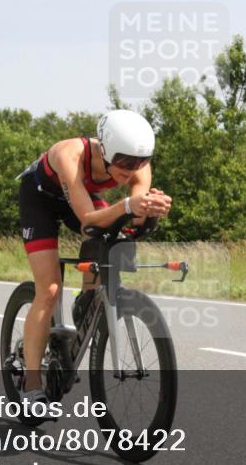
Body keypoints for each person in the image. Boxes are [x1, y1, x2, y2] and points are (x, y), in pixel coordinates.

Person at [16, 109, 171, 404]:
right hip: (41, 200)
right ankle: (32, 383)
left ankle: (87, 301)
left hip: (82, 198)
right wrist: (128, 204)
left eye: (140, 163)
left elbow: (131, 222)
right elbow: (88, 218)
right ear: (106, 150)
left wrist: (149, 214)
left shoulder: (138, 165)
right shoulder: (69, 154)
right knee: (49, 290)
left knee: (108, 242)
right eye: (124, 164)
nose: (132, 171)